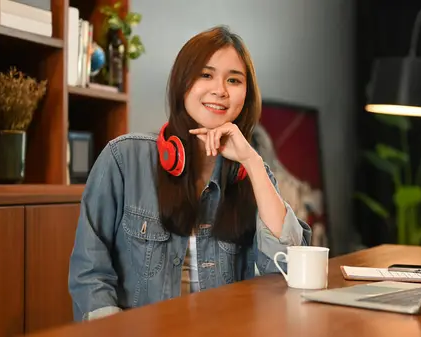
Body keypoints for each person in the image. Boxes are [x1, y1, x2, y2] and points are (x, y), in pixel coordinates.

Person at [68, 25, 312, 322]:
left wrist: (251, 160)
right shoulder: (123, 159)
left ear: (246, 95)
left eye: (234, 80)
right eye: (206, 75)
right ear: (183, 83)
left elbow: (289, 269)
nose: (220, 90)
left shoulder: (253, 173)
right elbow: (90, 272)